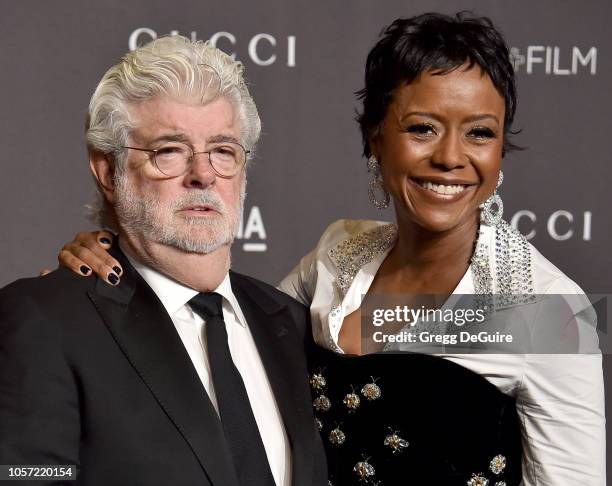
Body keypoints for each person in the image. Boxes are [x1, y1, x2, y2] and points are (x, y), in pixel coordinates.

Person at [50, 12, 605, 486]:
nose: (451, 157)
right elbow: (218, 320)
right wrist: (114, 243)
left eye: (480, 133)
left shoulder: (550, 310)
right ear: (374, 137)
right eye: (423, 128)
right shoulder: (338, 257)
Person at [0, 36, 327, 486]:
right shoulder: (44, 321)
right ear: (106, 171)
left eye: (223, 151)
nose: (203, 174)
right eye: (169, 151)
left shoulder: (291, 322)